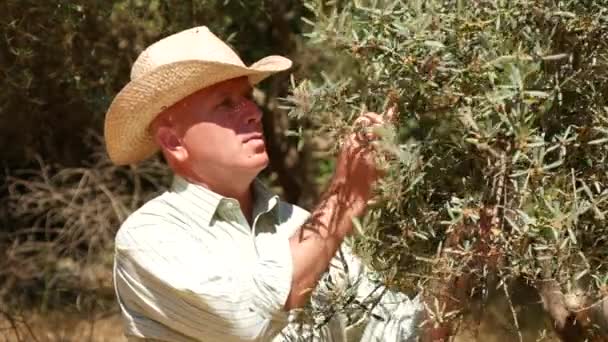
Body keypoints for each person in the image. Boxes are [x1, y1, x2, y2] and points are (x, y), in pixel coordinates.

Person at [105, 26, 421, 342]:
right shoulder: (149, 237)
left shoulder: (297, 223)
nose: (254, 112)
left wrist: (460, 251)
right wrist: (345, 196)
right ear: (173, 141)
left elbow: (398, 332)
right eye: (226, 103)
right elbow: (250, 321)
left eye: (247, 98)